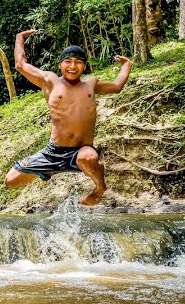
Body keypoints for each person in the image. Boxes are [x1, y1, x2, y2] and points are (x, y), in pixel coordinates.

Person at [7, 29, 132, 206]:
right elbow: (20, 65)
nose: (72, 66)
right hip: (52, 152)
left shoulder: (90, 83)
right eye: (68, 62)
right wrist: (19, 38)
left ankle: (99, 187)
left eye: (78, 62)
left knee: (88, 157)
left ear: (84, 66)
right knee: (11, 181)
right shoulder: (50, 81)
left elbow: (117, 86)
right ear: (60, 65)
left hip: (80, 151)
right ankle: (45, 171)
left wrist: (126, 65)